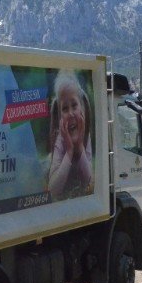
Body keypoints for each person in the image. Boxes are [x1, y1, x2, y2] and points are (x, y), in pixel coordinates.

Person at [47, 69, 94, 200]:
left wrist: (79, 147)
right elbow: (53, 190)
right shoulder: (61, 139)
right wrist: (69, 151)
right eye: (65, 109)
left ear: (82, 107)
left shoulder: (85, 135)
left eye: (74, 106)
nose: (71, 113)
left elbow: (90, 182)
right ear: (59, 116)